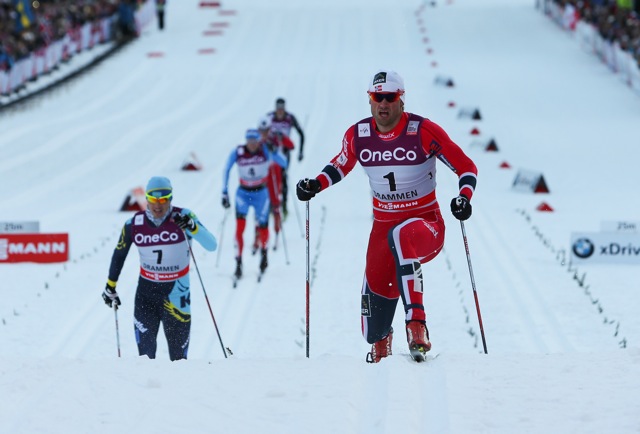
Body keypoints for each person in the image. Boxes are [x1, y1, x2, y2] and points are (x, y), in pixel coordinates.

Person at [296, 70, 478, 363]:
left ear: (401, 100)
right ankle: (383, 348)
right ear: (369, 100)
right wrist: (315, 184)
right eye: (376, 97)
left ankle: (416, 324)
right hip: (382, 228)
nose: (382, 104)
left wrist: (463, 198)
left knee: (402, 235)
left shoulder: (422, 131)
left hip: (425, 224)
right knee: (371, 328)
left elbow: (466, 166)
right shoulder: (359, 134)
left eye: (389, 97)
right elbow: (341, 164)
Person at [102, 176, 217, 361]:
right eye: (153, 199)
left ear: (170, 198)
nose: (158, 205)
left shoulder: (184, 216)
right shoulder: (134, 224)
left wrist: (193, 227)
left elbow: (212, 245)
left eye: (163, 199)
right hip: (146, 296)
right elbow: (119, 254)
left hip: (177, 298)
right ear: (146, 199)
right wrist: (110, 286)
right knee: (145, 360)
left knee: (179, 361)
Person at [222, 128, 288, 281]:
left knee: (263, 226)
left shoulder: (265, 150)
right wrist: (224, 192)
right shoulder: (238, 152)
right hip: (243, 194)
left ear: (259, 141)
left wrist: (275, 151)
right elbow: (226, 169)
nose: (252, 145)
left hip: (261, 194)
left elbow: (283, 162)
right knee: (240, 228)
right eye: (249, 141)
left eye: (254, 141)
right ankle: (238, 262)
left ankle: (264, 254)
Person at [266, 97, 305, 216]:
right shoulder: (269, 117)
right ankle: (270, 205)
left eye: (282, 108)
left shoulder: (290, 118)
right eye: (278, 108)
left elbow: (301, 134)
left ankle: (284, 206)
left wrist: (300, 152)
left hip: (285, 152)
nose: (280, 111)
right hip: (271, 152)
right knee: (269, 177)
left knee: (283, 177)